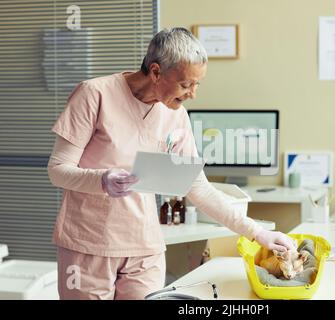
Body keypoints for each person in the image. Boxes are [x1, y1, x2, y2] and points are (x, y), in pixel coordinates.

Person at [47, 27, 295, 300]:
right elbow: (58, 170)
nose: (193, 94)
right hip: (88, 245)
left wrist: (258, 234)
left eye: (197, 84)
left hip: (144, 247)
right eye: (186, 84)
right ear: (155, 72)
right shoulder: (94, 95)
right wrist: (101, 180)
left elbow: (197, 187)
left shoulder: (176, 116)